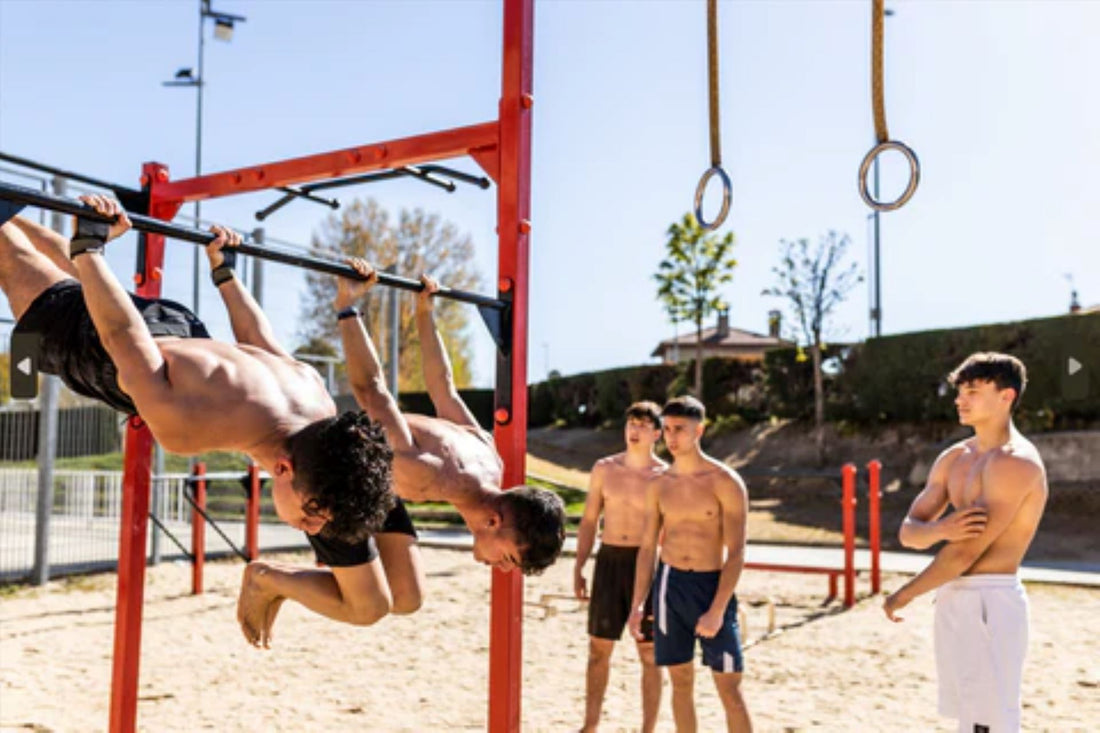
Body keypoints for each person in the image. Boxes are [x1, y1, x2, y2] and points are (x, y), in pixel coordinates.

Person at [0, 198, 418, 647]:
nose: (311, 530)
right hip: (105, 346)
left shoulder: (314, 398)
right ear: (283, 469)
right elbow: (120, 338)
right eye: (310, 518)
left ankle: (32, 221)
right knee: (13, 261)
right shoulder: (191, 427)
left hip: (180, 326)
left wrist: (226, 274)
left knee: (70, 274)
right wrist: (89, 251)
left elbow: (258, 339)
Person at [240, 256, 565, 636]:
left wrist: (425, 311)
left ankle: (287, 581)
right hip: (335, 483)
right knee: (368, 607)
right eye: (508, 558)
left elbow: (442, 385)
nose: (503, 569)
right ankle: (265, 578)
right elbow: (371, 390)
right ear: (494, 522)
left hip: (379, 486)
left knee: (408, 598)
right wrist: (347, 309)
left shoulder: (488, 458)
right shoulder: (424, 469)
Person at [884, 353, 1047, 733]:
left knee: (992, 723)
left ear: (1006, 396)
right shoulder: (954, 457)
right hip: (953, 596)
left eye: (973, 391)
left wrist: (905, 594)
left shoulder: (1017, 462)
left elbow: (967, 551)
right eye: (960, 392)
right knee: (969, 718)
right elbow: (909, 531)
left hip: (993, 596)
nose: (961, 400)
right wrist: (941, 528)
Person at [628, 396, 752, 733]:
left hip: (712, 586)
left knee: (729, 686)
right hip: (671, 587)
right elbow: (648, 547)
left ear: (700, 430)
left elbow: (737, 552)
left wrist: (716, 610)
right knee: (680, 681)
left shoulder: (725, 482)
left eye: (679, 430)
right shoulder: (658, 484)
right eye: (666, 429)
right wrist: (638, 604)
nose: (671, 437)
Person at [574, 401, 667, 733]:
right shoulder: (605, 468)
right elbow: (588, 520)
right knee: (599, 648)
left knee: (650, 652)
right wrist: (579, 565)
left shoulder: (665, 475)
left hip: (648, 564)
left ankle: (648, 729)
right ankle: (590, 725)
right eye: (631, 423)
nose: (635, 430)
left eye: (643, 425)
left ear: (657, 433)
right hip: (609, 561)